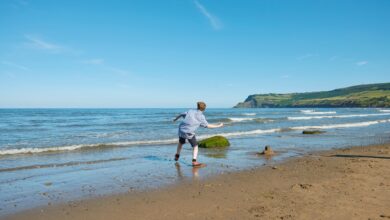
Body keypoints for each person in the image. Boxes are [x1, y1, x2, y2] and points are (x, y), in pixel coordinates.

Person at [173, 101, 223, 166]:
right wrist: (218, 125)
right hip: (189, 133)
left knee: (181, 143)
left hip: (181, 130)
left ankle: (177, 155)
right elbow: (207, 126)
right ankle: (194, 161)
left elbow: (181, 114)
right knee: (195, 146)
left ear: (197, 107)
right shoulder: (201, 117)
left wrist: (175, 119)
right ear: (204, 109)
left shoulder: (190, 111)